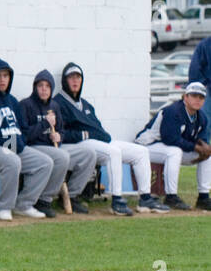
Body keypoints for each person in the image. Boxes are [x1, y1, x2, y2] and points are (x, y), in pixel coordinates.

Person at [55, 62, 168, 216]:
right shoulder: (59, 102)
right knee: (113, 152)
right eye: (71, 78)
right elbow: (62, 134)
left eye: (78, 77)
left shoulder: (86, 104)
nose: (75, 81)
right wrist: (85, 134)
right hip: (80, 144)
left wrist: (96, 134)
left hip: (98, 140)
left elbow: (100, 130)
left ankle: (145, 198)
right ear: (64, 81)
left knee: (141, 152)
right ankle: (116, 200)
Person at [0, 58, 54, 221]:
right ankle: (4, 207)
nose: (2, 79)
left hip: (9, 145)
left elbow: (22, 132)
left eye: (5, 75)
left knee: (45, 163)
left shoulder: (12, 101)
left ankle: (24, 204)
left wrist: (16, 143)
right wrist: (8, 143)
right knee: (12, 162)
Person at [18, 69, 99, 215]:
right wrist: (44, 124)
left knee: (89, 154)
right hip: (35, 146)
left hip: (54, 146)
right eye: (40, 86)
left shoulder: (54, 106)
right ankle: (44, 199)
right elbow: (24, 136)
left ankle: (72, 196)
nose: (44, 89)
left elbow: (61, 130)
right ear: (35, 87)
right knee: (61, 157)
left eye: (47, 86)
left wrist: (59, 137)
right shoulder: (25, 105)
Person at [135, 81, 211, 211]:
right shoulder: (173, 111)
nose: (197, 100)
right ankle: (171, 196)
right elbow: (170, 139)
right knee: (174, 152)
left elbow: (202, 139)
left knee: (207, 156)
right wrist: (196, 148)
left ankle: (203, 197)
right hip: (146, 146)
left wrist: (205, 149)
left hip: (168, 148)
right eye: (193, 96)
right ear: (185, 97)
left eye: (201, 97)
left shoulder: (201, 117)